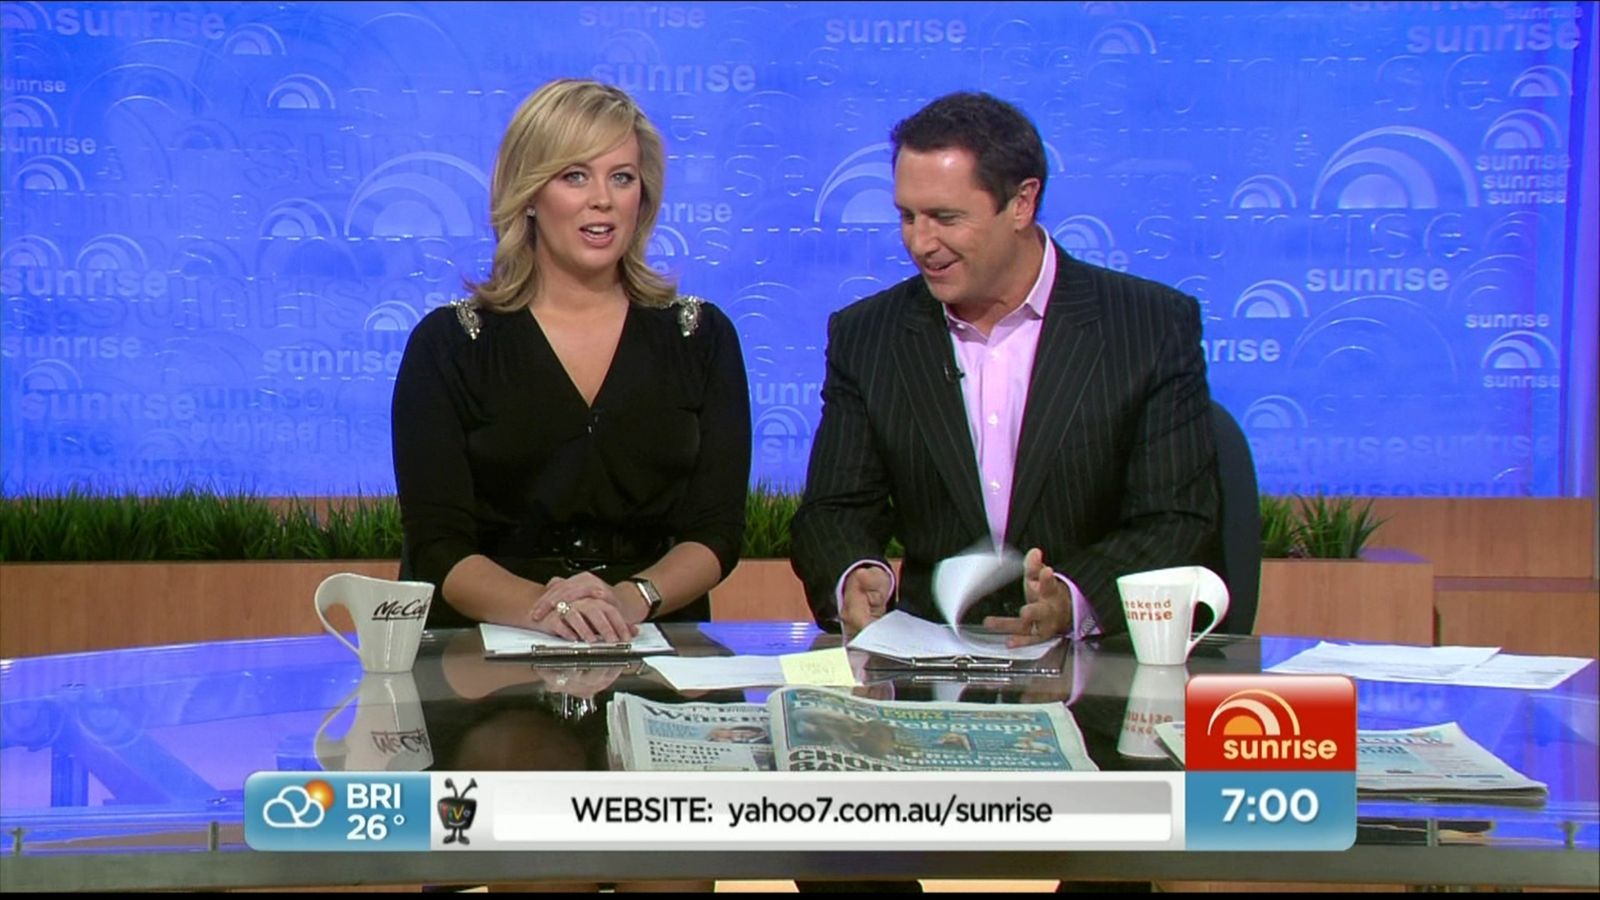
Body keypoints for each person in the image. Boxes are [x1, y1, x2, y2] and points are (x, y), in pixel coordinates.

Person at [791, 91, 1219, 649]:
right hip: (929, 662)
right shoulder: (869, 335)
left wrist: (1073, 599)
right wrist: (855, 573)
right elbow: (834, 510)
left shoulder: (1148, 327)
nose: (920, 243)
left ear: (1021, 203)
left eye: (945, 218)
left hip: (1095, 660)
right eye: (907, 216)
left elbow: (1176, 519)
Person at [392, 78, 751, 646]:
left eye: (622, 177)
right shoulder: (451, 344)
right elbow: (438, 544)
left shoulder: (699, 337)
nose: (602, 199)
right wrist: (551, 610)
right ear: (530, 194)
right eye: (575, 176)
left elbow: (717, 531)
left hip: (650, 636)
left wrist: (630, 600)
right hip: (485, 650)